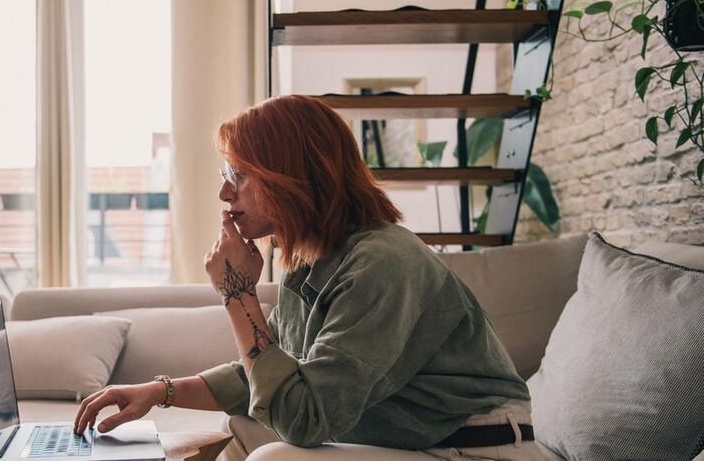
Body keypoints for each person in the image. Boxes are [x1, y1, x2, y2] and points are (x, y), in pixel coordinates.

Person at [74, 95, 552, 460]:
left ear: (290, 176)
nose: (224, 192)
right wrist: (161, 392)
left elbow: (303, 419)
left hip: (474, 449)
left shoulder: (382, 264)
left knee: (276, 456)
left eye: (238, 174)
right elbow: (264, 378)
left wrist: (237, 295)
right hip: (419, 441)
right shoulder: (314, 262)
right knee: (244, 426)